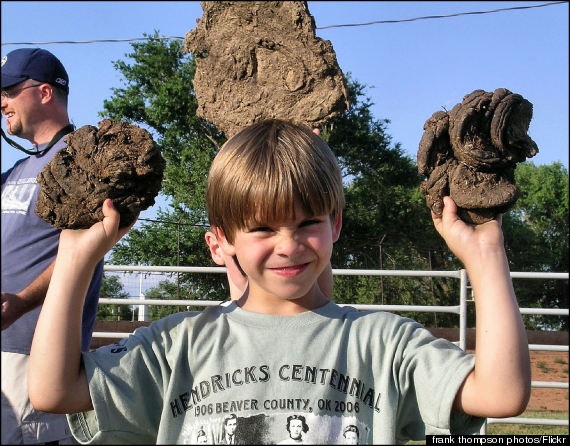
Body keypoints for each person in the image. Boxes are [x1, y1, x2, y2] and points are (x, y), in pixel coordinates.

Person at [28, 119, 531, 444]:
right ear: (221, 242)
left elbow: (500, 394)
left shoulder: (383, 343)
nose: (288, 245)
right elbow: (53, 390)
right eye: (263, 228)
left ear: (334, 224)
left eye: (307, 223)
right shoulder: (178, 345)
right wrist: (76, 255)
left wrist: (485, 254)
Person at [1, 48, 104, 444]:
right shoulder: (17, 170)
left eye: (9, 90)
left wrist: (22, 301)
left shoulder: (83, 162)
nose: (2, 102)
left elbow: (86, 251)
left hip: (35, 358)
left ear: (44, 93)